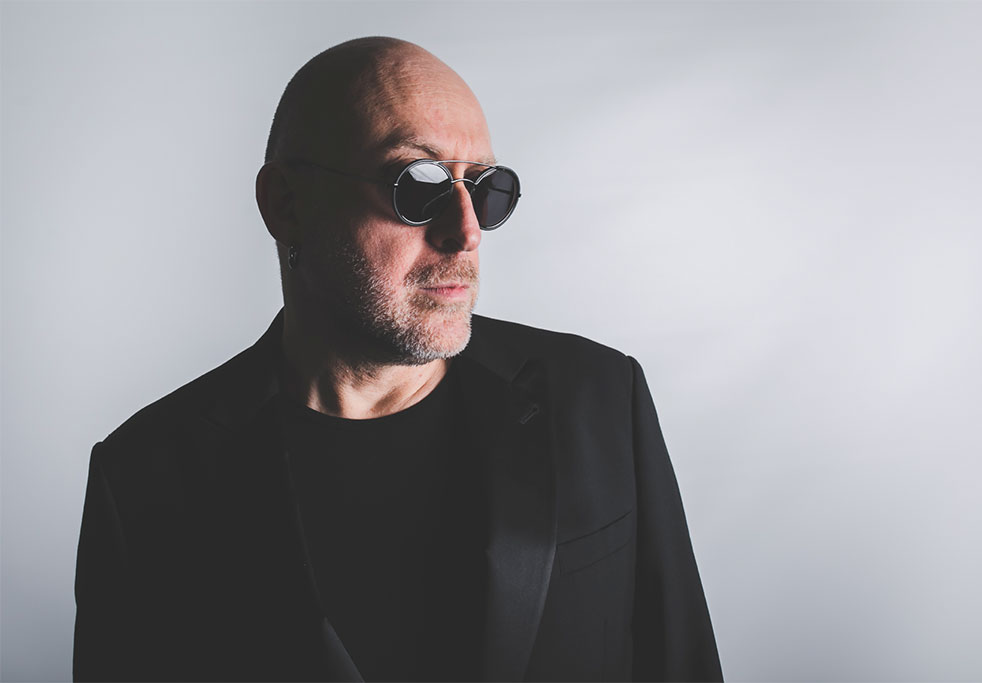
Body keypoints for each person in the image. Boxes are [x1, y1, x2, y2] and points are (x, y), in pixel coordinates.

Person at [73, 37, 723, 682]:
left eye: (486, 189)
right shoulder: (143, 480)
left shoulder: (601, 401)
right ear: (287, 206)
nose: (466, 231)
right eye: (418, 184)